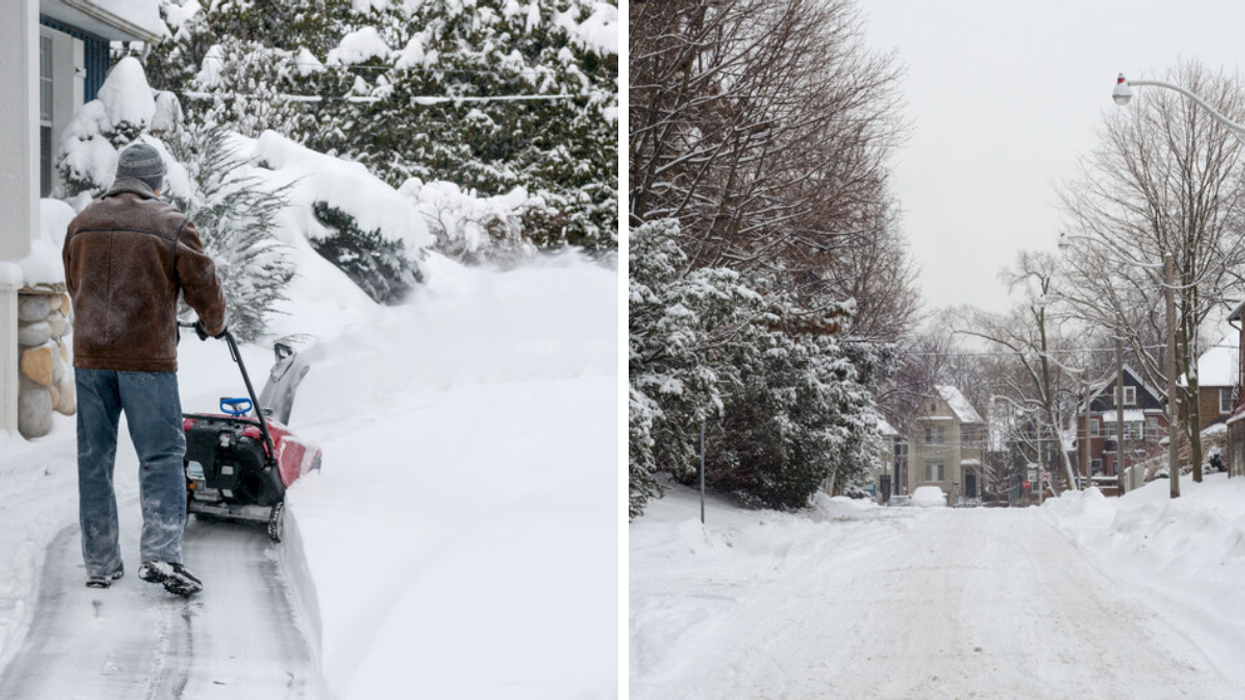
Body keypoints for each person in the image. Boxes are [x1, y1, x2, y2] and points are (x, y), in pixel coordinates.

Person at [62, 143, 226, 596]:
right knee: (161, 456)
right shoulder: (170, 224)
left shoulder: (81, 223)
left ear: (119, 179)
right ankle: (161, 554)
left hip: (91, 358)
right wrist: (215, 322)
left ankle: (99, 562)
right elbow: (204, 284)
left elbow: (73, 282)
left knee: (94, 460)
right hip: (146, 361)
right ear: (156, 182)